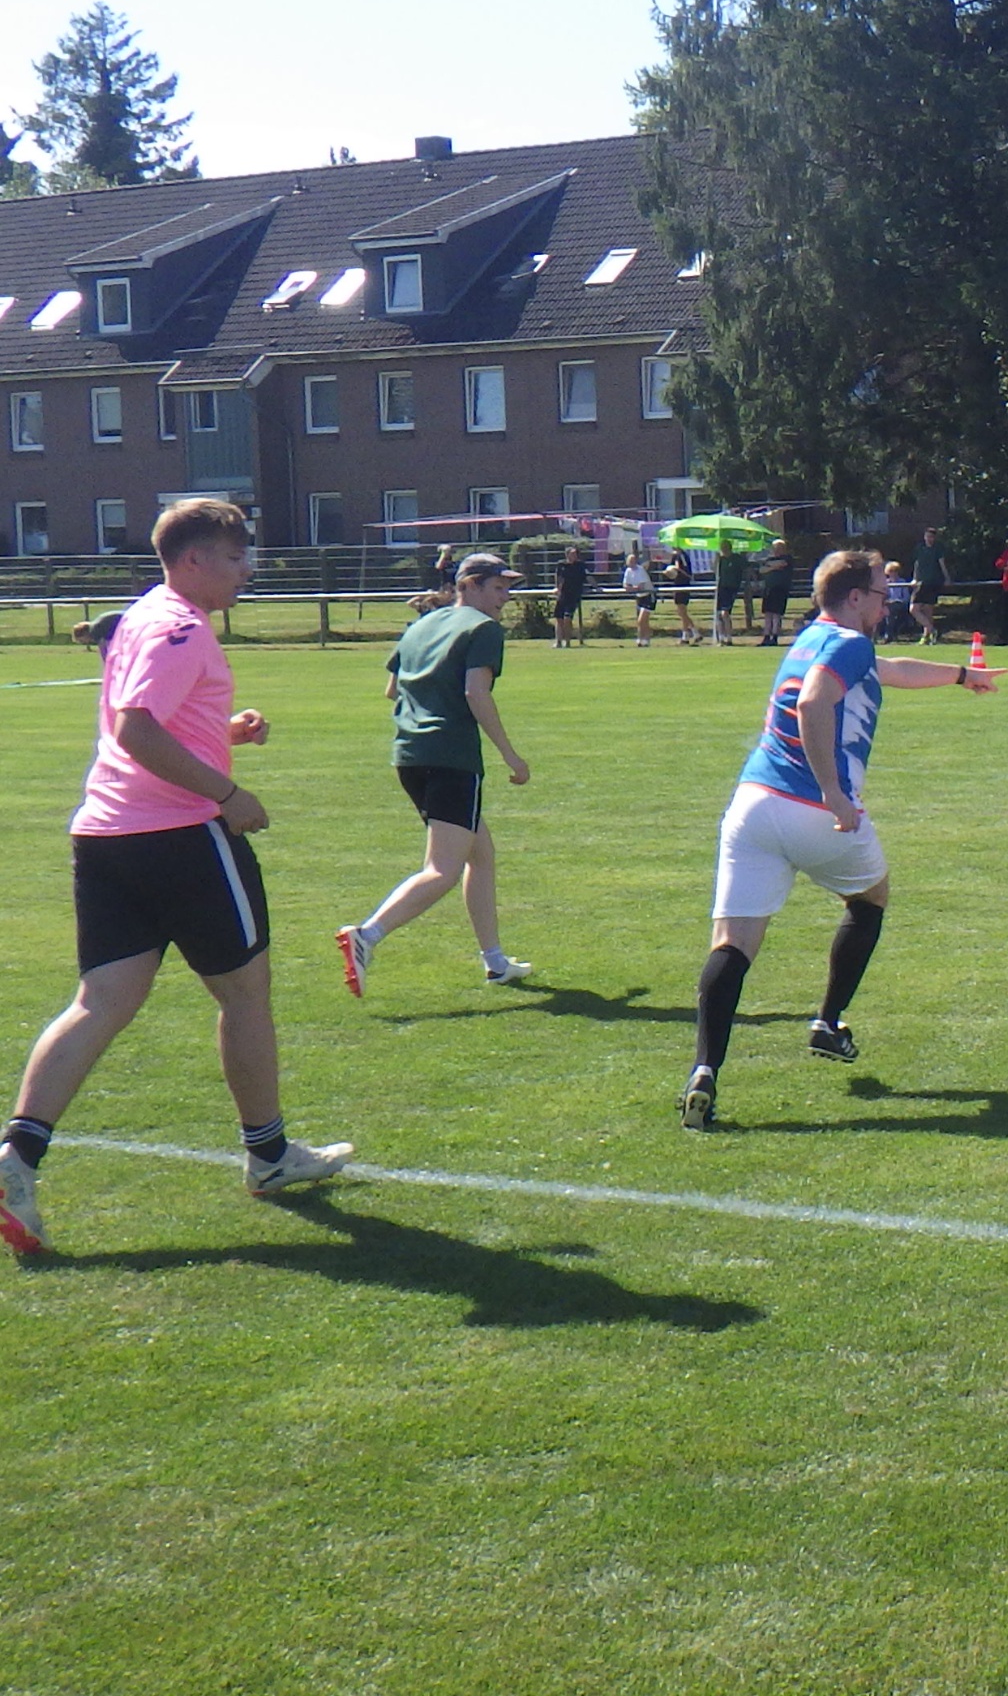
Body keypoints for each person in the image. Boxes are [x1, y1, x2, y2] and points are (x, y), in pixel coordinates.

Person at [0, 500, 352, 1256]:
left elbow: (144, 720)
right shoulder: (182, 627)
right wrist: (228, 793)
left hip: (106, 836)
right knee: (245, 991)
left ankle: (15, 1159)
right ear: (192, 559)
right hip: (181, 837)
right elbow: (136, 728)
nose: (247, 568)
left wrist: (221, 735)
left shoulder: (141, 616)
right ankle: (268, 1153)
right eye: (235, 556)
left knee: (100, 1003)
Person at [678, 549, 1007, 1129]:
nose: (888, 601)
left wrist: (961, 675)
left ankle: (704, 1071)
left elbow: (891, 669)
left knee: (733, 944)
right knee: (870, 898)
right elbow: (813, 702)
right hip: (815, 810)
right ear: (855, 597)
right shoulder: (848, 644)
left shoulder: (813, 637)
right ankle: (828, 1022)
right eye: (882, 592)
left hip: (753, 805)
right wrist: (832, 791)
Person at [334, 553, 534, 998]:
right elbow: (475, 693)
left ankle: (496, 963)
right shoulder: (483, 630)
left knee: (480, 854)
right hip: (452, 758)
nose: (505, 598)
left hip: (409, 755)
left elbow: (392, 689)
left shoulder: (421, 624)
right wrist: (510, 755)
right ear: (471, 586)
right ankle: (366, 936)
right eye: (499, 588)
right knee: (442, 869)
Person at [910, 527, 952, 644]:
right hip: (921, 582)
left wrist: (947, 578)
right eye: (927, 536)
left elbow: (942, 564)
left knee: (926, 610)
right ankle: (931, 632)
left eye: (932, 537)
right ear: (924, 536)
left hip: (932, 582)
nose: (929, 539)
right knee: (915, 609)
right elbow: (917, 564)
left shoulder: (938, 548)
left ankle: (928, 634)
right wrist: (914, 578)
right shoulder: (920, 548)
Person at [660, 549, 701, 645]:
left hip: (681, 585)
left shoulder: (679, 555)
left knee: (681, 612)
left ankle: (695, 633)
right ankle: (686, 636)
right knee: (682, 612)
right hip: (682, 585)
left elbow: (678, 569)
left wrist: (669, 570)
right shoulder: (683, 555)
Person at [758, 539, 795, 645]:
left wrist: (769, 566)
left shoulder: (787, 558)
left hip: (780, 588)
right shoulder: (770, 559)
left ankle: (774, 637)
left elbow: (782, 564)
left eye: (777, 548)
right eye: (774, 548)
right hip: (769, 588)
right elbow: (761, 570)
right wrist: (773, 566)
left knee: (776, 613)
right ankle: (766, 636)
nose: (775, 550)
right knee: (768, 613)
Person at [713, 539, 750, 646]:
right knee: (718, 613)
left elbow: (747, 568)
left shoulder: (736, 558)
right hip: (721, 587)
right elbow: (715, 570)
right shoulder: (721, 559)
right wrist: (716, 559)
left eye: (725, 547)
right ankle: (721, 638)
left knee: (725, 613)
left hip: (731, 588)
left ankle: (728, 637)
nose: (723, 549)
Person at [552, 544, 588, 648]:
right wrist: (557, 588)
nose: (574, 556)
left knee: (568, 619)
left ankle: (567, 642)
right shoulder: (561, 565)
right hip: (563, 595)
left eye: (575, 554)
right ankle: (558, 641)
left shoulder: (580, 565)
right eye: (572, 554)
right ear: (567, 555)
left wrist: (597, 586)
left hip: (574, 596)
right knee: (559, 618)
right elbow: (558, 578)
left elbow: (588, 576)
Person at [622, 547, 655, 647]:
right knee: (642, 621)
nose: (632, 562)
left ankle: (643, 639)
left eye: (633, 560)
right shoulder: (628, 571)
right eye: (630, 561)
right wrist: (632, 588)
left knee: (642, 620)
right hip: (639, 597)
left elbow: (641, 586)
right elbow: (625, 585)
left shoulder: (640, 570)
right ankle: (644, 639)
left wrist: (632, 588)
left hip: (648, 595)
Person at [881, 561, 914, 644]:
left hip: (901, 604)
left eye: (895, 571)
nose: (893, 573)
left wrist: (898, 601)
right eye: (891, 571)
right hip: (888, 605)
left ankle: (888, 635)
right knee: (889, 611)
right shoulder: (885, 583)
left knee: (891, 610)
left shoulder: (902, 582)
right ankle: (888, 635)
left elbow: (906, 598)